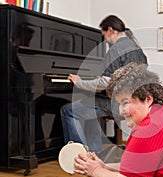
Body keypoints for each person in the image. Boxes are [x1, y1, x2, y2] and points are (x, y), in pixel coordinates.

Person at [40, 62, 163, 177]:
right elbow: (136, 167)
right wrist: (103, 166)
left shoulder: (150, 129)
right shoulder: (161, 113)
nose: (121, 111)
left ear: (148, 99)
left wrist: (94, 170)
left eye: (125, 102)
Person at [60, 15, 148, 153]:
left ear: (111, 30)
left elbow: (105, 83)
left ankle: (79, 155)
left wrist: (80, 82)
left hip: (117, 105)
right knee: (90, 102)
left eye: (104, 36)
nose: (105, 41)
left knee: (68, 111)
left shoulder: (116, 49)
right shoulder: (137, 49)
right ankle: (95, 150)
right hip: (135, 102)